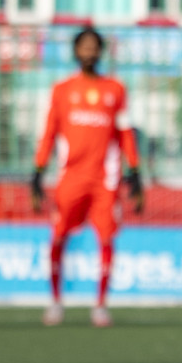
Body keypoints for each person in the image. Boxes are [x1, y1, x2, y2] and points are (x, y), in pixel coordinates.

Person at [32, 28, 144, 328]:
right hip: (70, 178)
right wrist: (38, 170)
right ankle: (55, 301)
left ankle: (100, 305)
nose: (89, 52)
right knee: (58, 236)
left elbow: (125, 133)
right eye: (84, 47)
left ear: (101, 52)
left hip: (105, 181)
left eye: (94, 47)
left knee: (106, 238)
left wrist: (135, 170)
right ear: (75, 51)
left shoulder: (116, 90)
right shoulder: (62, 90)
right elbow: (49, 133)